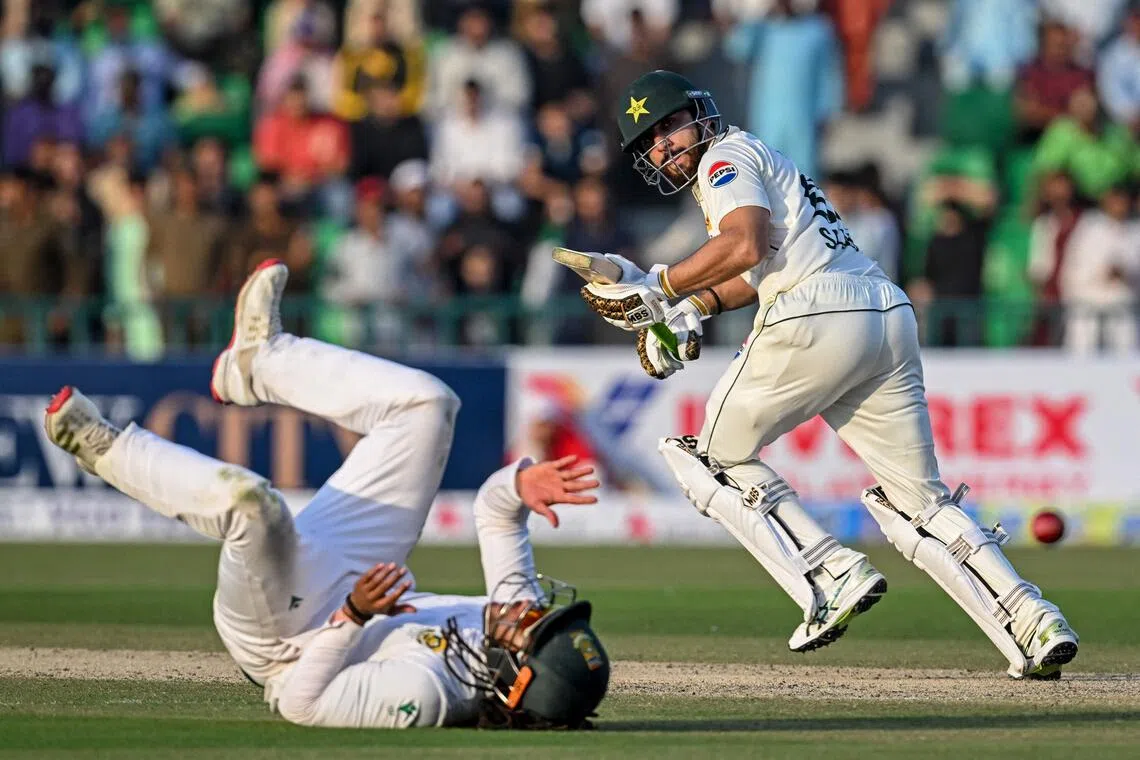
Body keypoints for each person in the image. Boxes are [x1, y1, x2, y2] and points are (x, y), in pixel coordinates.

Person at [578, 69, 1079, 679]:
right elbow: (758, 262)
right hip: (883, 314)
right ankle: (1033, 620)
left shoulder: (723, 161)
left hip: (816, 311)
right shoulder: (756, 155)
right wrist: (693, 306)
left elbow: (741, 245)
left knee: (705, 457)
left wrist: (659, 288)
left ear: (697, 114)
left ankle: (828, 572)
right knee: (918, 503)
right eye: (649, 144)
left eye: (667, 129)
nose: (663, 148)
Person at [43, 260, 610, 729]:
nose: (531, 612)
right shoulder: (507, 621)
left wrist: (355, 614)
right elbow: (495, 513)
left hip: (287, 637)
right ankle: (260, 360)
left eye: (534, 630)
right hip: (353, 576)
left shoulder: (427, 693)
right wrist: (517, 485)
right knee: (427, 407)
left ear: (513, 679)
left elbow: (299, 701)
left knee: (252, 506)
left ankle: (102, 447)